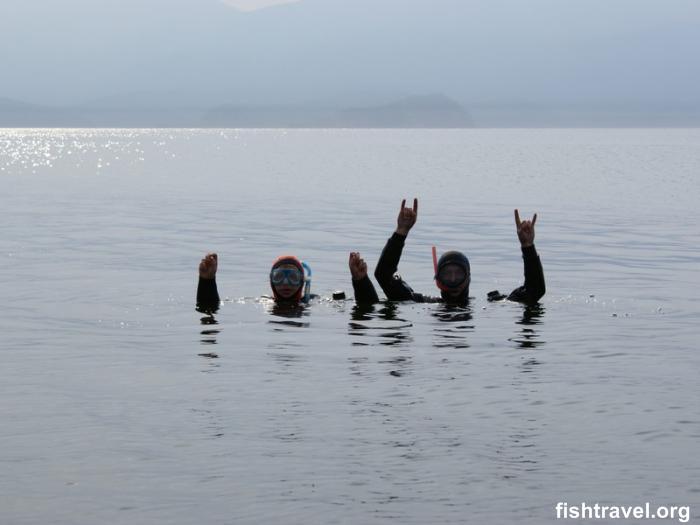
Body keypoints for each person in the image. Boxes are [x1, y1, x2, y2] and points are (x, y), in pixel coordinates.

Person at [350, 198, 545, 305]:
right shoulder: (422, 303)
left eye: (458, 274)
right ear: (438, 280)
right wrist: (401, 232)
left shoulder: (495, 304)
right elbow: (383, 276)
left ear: (468, 278)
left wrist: (528, 246)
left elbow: (535, 291)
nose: (452, 280)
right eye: (447, 274)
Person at [196, 253, 313, 312]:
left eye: (293, 277)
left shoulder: (314, 303)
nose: (286, 283)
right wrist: (207, 281)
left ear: (302, 281)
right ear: (271, 280)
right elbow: (208, 307)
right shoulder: (263, 303)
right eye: (279, 276)